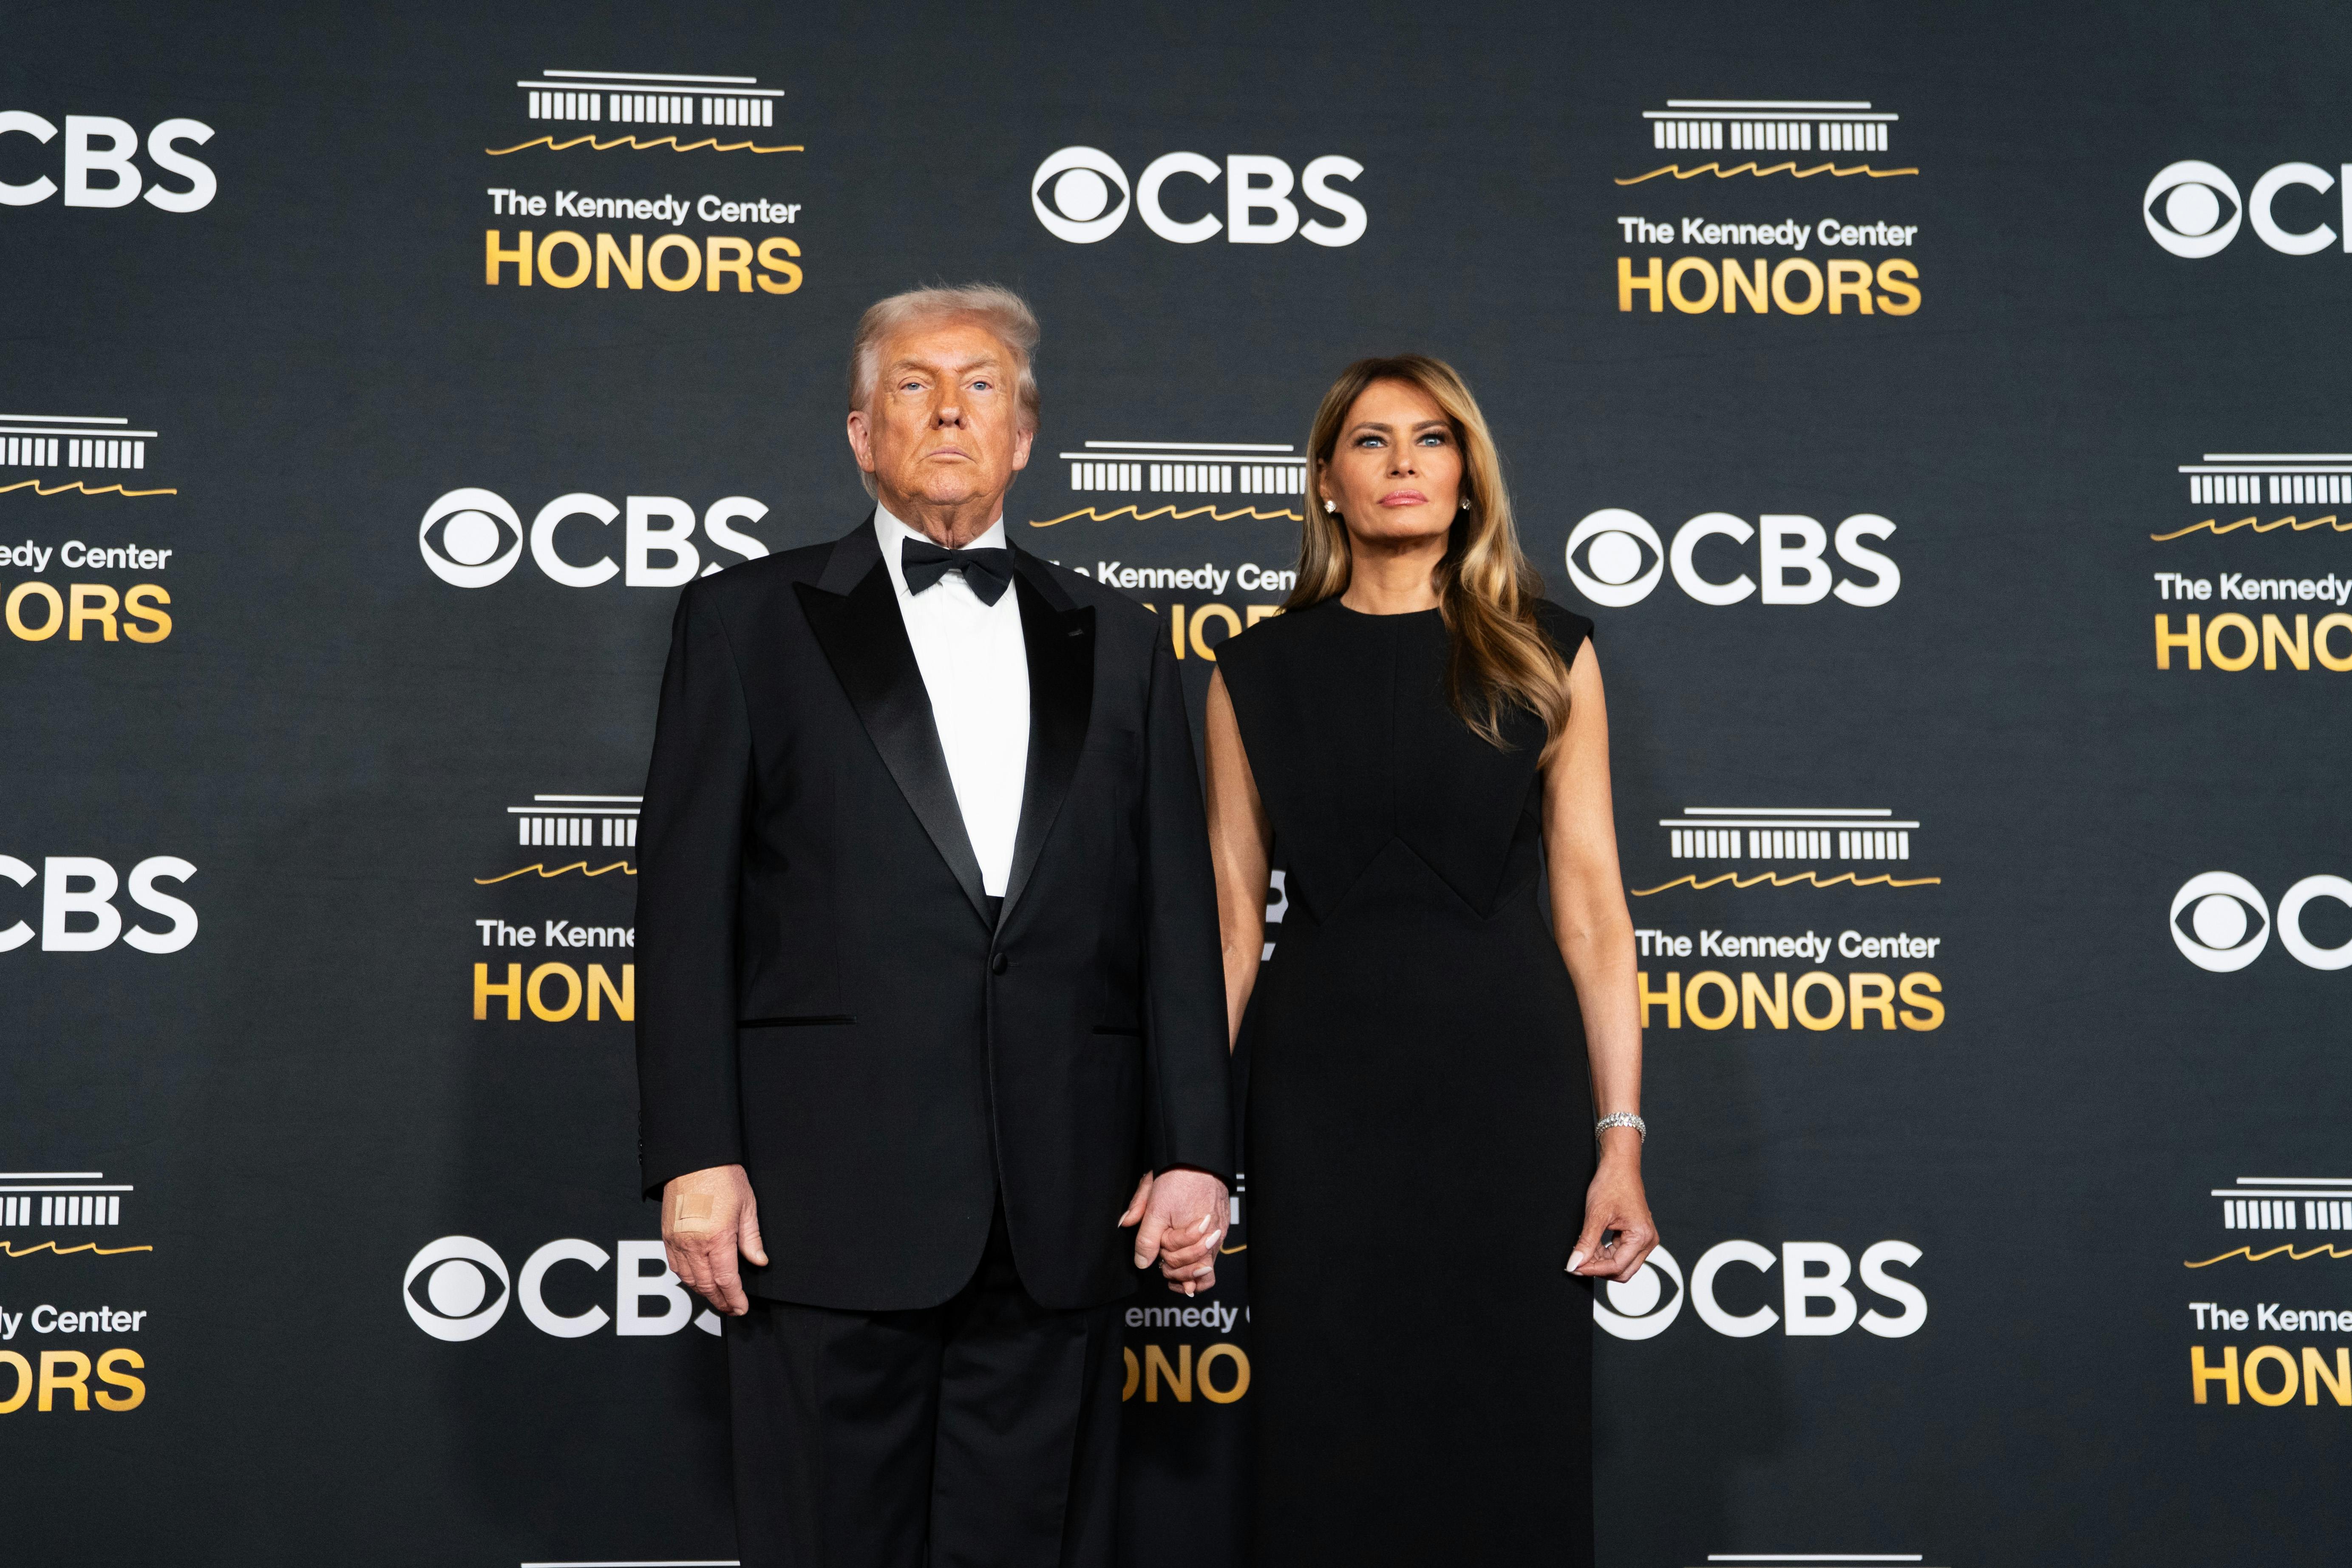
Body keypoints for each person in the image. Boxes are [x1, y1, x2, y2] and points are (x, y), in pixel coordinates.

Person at [635, 283, 1233, 1568]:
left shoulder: (1122, 639)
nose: (949, 407)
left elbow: (1174, 913)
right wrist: (695, 1151)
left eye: (982, 384)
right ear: (859, 432)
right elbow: (684, 910)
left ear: (1025, 436)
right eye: (913, 384)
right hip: (819, 1200)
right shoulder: (747, 620)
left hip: (1060, 1199)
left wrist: (1196, 1150)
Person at [1204, 355, 1658, 1565]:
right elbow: (1231, 924)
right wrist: (1189, 1139)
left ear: (1468, 483)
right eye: (1371, 441)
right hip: (1318, 1103)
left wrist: (1620, 1139)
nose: (1403, 463)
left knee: (1511, 1426)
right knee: (1326, 1427)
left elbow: (1597, 916)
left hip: (1510, 1093)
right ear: (1326, 483)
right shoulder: (1254, 670)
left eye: (1431, 440)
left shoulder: (1550, 653)